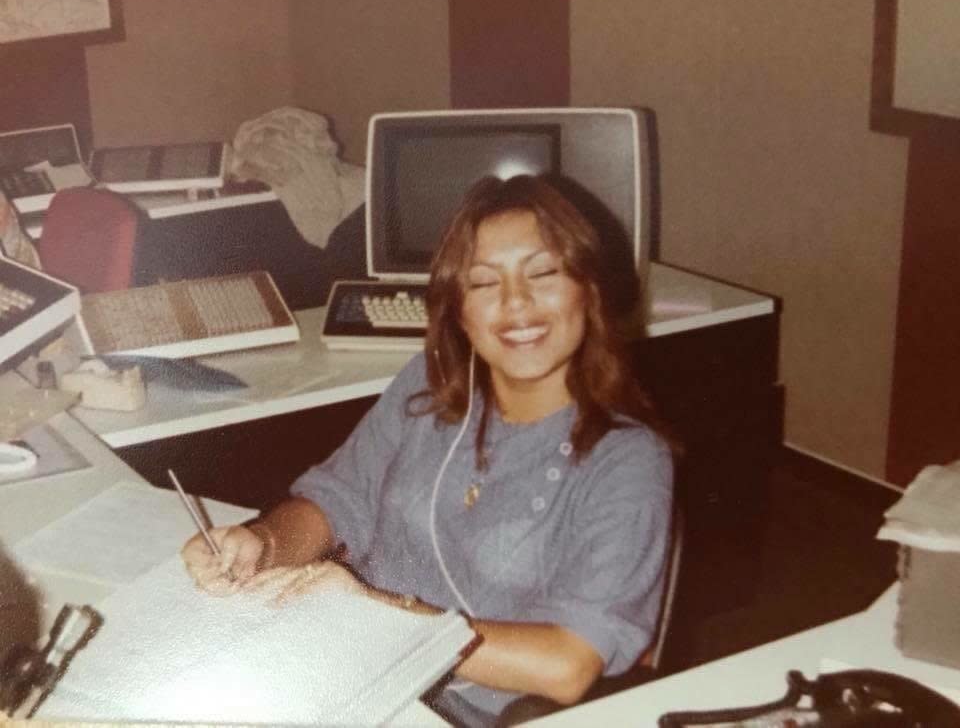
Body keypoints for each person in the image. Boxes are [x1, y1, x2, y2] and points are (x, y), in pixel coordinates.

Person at [181, 174, 674, 726]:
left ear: (590, 289)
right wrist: (262, 544)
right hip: (350, 668)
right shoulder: (429, 386)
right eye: (486, 283)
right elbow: (336, 500)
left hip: (456, 712)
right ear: (458, 310)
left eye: (543, 273)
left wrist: (374, 616)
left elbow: (568, 664)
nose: (517, 303)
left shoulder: (627, 461)